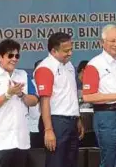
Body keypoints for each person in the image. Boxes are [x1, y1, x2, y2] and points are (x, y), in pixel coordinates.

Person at [83, 24, 116, 167]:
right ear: (102, 43)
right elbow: (88, 97)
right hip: (108, 117)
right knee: (110, 162)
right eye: (112, 41)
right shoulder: (94, 65)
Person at [0, 39, 38, 167]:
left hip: (21, 139)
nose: (14, 59)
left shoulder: (23, 75)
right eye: (10, 55)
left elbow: (34, 100)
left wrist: (21, 94)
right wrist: (8, 94)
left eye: (17, 56)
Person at [34, 32, 84, 167]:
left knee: (71, 162)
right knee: (56, 162)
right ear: (53, 51)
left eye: (71, 49)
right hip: (56, 122)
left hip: (71, 121)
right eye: (66, 51)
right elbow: (44, 100)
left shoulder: (69, 66)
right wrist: (48, 130)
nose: (70, 53)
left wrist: (78, 118)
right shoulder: (45, 68)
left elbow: (71, 94)